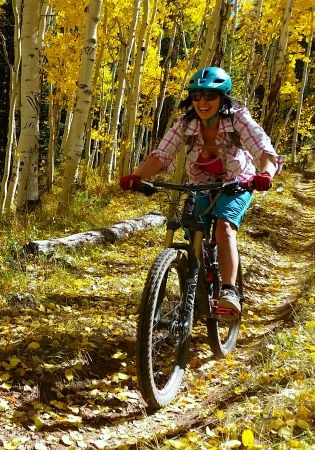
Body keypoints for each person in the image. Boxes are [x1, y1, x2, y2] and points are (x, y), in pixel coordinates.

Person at [119, 66, 283, 316]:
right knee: (193, 227)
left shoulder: (237, 118)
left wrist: (265, 175)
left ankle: (228, 290)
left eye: (210, 95)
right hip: (201, 182)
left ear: (223, 98)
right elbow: (162, 156)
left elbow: (264, 150)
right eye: (197, 96)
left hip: (238, 180)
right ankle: (200, 279)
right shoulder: (186, 124)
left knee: (223, 227)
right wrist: (137, 175)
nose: (202, 102)